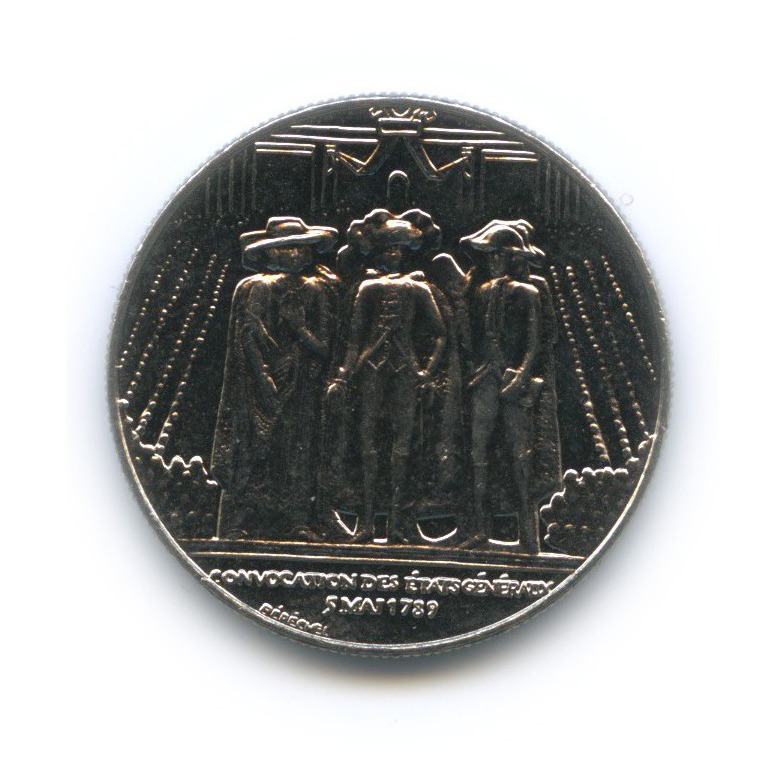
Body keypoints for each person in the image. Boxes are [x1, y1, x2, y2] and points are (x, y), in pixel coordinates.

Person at [211, 217, 340, 540]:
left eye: (300, 248)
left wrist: (299, 328)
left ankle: (297, 519)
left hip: (302, 385)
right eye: (287, 248)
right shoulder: (255, 287)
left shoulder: (316, 289)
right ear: (270, 253)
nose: (295, 254)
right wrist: (263, 374)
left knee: (298, 451)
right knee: (253, 446)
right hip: (257, 387)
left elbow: (325, 347)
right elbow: (247, 338)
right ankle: (237, 521)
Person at [327, 208, 446, 544]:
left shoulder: (418, 288)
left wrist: (427, 370)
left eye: (398, 250)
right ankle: (366, 524)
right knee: (367, 447)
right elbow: (354, 339)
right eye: (387, 250)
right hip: (370, 373)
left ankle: (397, 524)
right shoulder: (367, 288)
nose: (393, 256)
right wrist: (344, 375)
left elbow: (440, 334)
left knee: (402, 449)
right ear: (378, 253)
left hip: (406, 373)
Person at [460, 220, 562, 552]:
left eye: (498, 255)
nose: (493, 261)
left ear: (512, 258)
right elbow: (472, 336)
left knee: (521, 455)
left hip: (513, 380)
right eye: (490, 256)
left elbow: (536, 341)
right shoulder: (482, 291)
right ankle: (480, 528)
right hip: (486, 378)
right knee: (478, 452)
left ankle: (529, 535)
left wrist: (521, 376)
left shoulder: (529, 292)